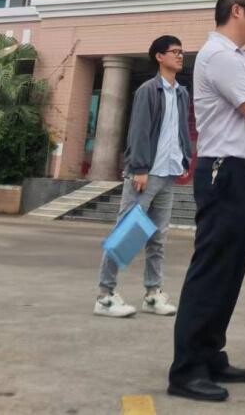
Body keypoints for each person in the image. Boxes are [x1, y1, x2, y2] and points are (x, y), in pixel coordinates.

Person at [168, 0, 245, 403]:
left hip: (244, 171)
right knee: (213, 269)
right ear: (236, 11)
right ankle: (187, 369)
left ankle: (209, 353)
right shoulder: (219, 56)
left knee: (231, 269)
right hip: (226, 170)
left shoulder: (240, 59)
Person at [94, 35, 191, 319]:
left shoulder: (181, 93)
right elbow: (138, 130)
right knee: (127, 234)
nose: (180, 56)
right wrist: (139, 168)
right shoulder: (148, 90)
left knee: (158, 237)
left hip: (168, 173)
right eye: (174, 52)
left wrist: (184, 158)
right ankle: (105, 296)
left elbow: (180, 130)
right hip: (145, 174)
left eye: (182, 52)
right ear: (159, 57)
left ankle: (152, 293)